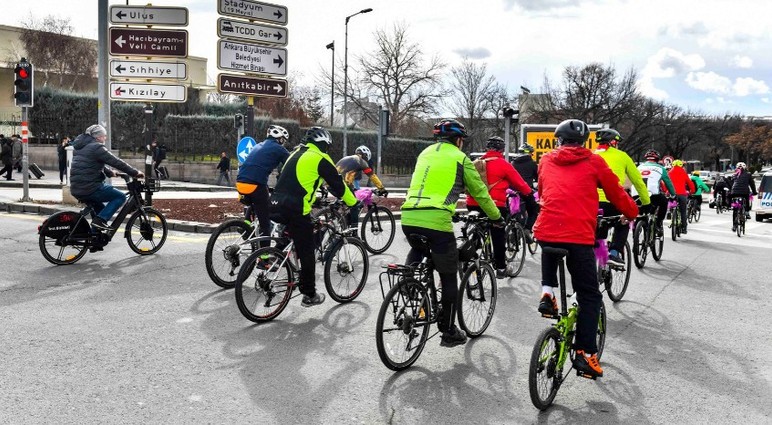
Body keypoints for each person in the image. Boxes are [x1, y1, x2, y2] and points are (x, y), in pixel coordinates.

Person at [534, 119, 638, 379]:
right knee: (590, 296)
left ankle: (548, 293)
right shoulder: (594, 161)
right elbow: (615, 192)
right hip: (578, 235)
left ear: (558, 139)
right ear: (584, 142)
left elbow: (545, 191)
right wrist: (632, 212)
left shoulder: (546, 160)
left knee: (550, 242)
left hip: (546, 229)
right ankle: (585, 354)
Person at [401, 119, 504, 348]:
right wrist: (497, 218)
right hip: (437, 220)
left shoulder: (425, 153)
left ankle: (409, 285)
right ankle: (448, 331)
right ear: (458, 140)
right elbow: (480, 192)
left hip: (408, 217)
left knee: (418, 248)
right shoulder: (460, 158)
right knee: (449, 276)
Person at [269, 126, 358, 307]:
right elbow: (338, 186)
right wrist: (353, 203)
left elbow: (294, 180)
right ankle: (309, 295)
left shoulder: (294, 153)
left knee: (292, 233)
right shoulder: (320, 158)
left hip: (275, 204)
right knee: (307, 250)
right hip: (295, 209)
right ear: (324, 143)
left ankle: (276, 256)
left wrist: (312, 198)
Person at [466, 136, 533, 278]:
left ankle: (468, 255)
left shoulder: (475, 163)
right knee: (498, 233)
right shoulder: (503, 164)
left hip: (472, 204)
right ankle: (501, 268)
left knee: (478, 228)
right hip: (495, 204)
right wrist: (529, 193)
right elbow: (520, 184)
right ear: (502, 150)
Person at [70, 124, 144, 235]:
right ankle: (100, 221)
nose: (105, 138)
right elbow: (116, 162)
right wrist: (135, 172)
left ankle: (95, 238)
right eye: (104, 136)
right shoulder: (97, 147)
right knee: (120, 196)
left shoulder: (81, 147)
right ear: (98, 137)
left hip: (77, 188)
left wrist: (110, 173)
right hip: (90, 188)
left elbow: (93, 163)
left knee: (100, 210)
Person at [594, 129, 650, 267]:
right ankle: (614, 252)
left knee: (597, 230)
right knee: (624, 220)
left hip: (590, 203)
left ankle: (599, 261)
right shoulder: (622, 156)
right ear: (613, 142)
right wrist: (646, 202)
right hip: (612, 202)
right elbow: (638, 182)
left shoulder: (590, 155)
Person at [237, 125, 290, 248]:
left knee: (258, 202)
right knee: (265, 223)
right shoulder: (279, 149)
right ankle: (264, 259)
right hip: (256, 185)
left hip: (240, 184)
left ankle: (245, 225)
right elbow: (291, 165)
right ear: (280, 139)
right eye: (283, 140)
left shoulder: (258, 145)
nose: (283, 143)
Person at [335, 145, 387, 226]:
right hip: (343, 186)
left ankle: (339, 221)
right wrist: (382, 188)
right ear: (365, 156)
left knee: (343, 203)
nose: (366, 161)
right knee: (355, 205)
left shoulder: (347, 158)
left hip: (331, 184)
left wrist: (353, 188)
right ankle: (354, 231)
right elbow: (372, 176)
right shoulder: (361, 161)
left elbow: (347, 175)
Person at [631, 150, 676, 235]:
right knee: (664, 202)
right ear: (657, 160)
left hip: (637, 194)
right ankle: (658, 223)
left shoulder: (639, 167)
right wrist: (673, 194)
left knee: (640, 212)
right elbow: (668, 183)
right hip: (653, 195)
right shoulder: (661, 168)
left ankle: (636, 229)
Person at [509, 143, 540, 241]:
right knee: (534, 210)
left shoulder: (512, 163)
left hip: (512, 192)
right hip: (526, 191)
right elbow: (538, 178)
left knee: (512, 212)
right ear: (530, 153)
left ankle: (511, 229)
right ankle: (527, 229)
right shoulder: (532, 164)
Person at [667, 159, 695, 234]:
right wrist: (692, 191)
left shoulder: (669, 172)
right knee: (683, 211)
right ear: (681, 165)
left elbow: (665, 183)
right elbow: (690, 183)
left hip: (672, 194)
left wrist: (666, 191)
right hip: (682, 194)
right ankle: (684, 228)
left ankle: (670, 213)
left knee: (670, 203)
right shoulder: (683, 172)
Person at [729, 162, 757, 230]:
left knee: (735, 209)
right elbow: (752, 184)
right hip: (744, 192)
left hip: (734, 193)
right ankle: (747, 212)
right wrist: (754, 192)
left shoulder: (734, 175)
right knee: (747, 199)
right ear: (745, 168)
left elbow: (731, 184)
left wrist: (731, 191)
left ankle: (734, 226)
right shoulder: (748, 174)